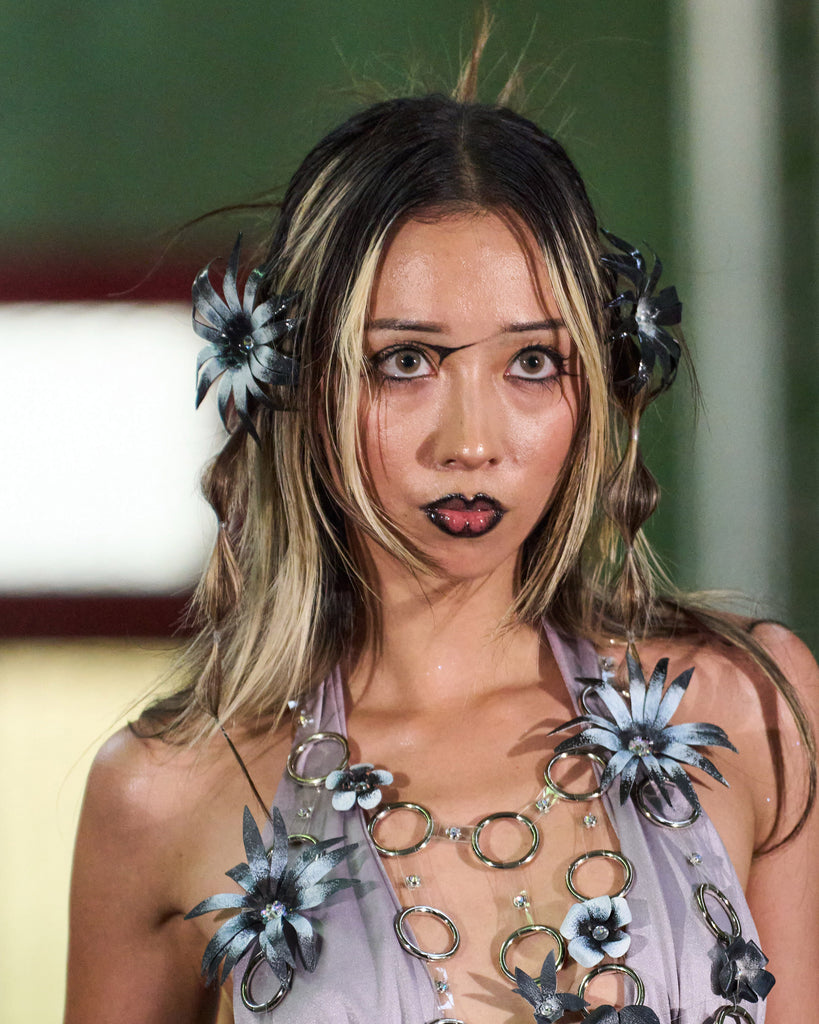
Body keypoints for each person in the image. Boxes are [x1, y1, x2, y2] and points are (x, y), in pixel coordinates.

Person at [65, 45, 818, 1024]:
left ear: (602, 379)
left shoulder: (752, 708)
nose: (472, 442)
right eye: (407, 360)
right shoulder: (166, 792)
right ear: (306, 381)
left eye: (535, 362)